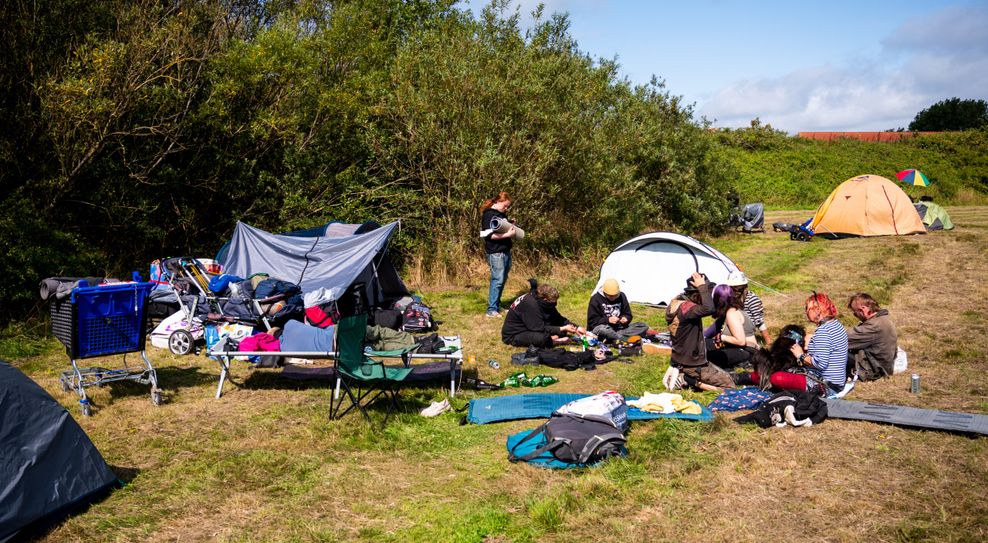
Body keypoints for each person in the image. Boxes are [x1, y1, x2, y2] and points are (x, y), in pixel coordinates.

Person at [662, 272, 735, 391]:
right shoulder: (688, 309)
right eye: (705, 293)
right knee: (729, 386)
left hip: (682, 359)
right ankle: (688, 380)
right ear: (697, 294)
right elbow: (709, 308)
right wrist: (702, 287)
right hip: (692, 364)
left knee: (725, 375)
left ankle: (685, 376)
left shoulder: (679, 302)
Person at [786, 292, 849, 396]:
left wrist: (800, 355)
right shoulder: (836, 324)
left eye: (808, 309)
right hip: (837, 382)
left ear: (818, 310)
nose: (806, 312)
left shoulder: (823, 331)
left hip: (825, 386)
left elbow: (820, 363)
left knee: (778, 377)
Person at [501, 283, 584, 348]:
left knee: (561, 330)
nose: (555, 304)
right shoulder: (531, 304)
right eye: (553, 302)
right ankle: (556, 341)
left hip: (530, 326)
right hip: (515, 334)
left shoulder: (542, 301)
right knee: (542, 338)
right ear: (545, 299)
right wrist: (562, 328)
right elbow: (539, 328)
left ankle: (551, 338)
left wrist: (577, 327)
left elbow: (557, 317)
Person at [846, 292, 898, 381]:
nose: (856, 316)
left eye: (855, 313)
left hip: (873, 370)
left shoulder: (873, 326)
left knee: (835, 350)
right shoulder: (884, 319)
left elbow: (842, 338)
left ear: (863, 310)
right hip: (883, 366)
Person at [705, 284, 757, 369]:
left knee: (709, 355)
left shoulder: (731, 314)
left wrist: (722, 337)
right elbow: (709, 332)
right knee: (705, 344)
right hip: (742, 349)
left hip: (748, 351)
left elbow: (741, 341)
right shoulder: (731, 309)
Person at [481, 192, 516, 317]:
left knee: (502, 279)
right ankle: (491, 310)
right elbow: (489, 235)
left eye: (508, 207)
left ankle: (497, 306)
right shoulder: (489, 215)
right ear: (497, 202)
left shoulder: (500, 214)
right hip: (496, 252)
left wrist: (510, 223)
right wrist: (507, 235)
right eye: (505, 206)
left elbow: (499, 228)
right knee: (498, 280)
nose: (506, 209)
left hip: (505, 251)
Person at [586, 278, 649, 343]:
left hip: (619, 328)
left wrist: (625, 318)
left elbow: (628, 314)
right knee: (602, 330)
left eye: (615, 295)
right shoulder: (595, 299)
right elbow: (592, 322)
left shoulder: (622, 296)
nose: (613, 298)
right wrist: (608, 320)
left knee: (643, 325)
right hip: (603, 328)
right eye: (610, 296)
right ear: (604, 293)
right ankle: (624, 338)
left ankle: (613, 338)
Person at [726, 271, 772, 344]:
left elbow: (759, 322)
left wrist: (768, 341)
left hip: (746, 332)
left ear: (745, 287)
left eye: (738, 289)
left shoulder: (752, 299)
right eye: (733, 289)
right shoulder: (730, 299)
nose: (736, 292)